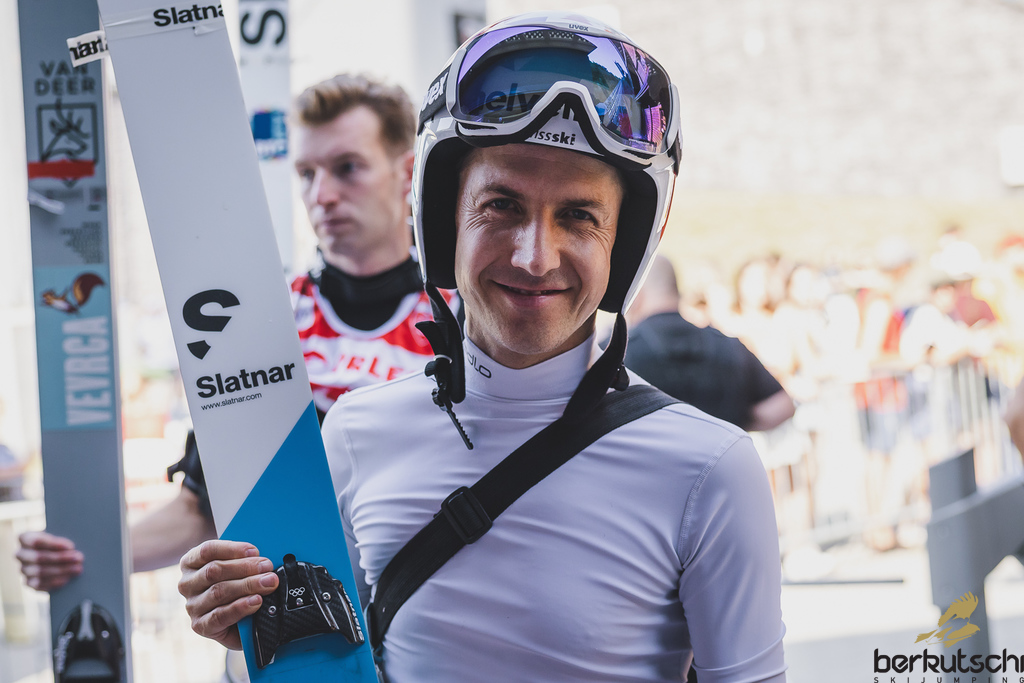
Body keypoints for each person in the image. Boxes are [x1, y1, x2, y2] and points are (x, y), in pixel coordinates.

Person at [179, 13, 787, 682]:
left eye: (578, 216)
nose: (534, 257)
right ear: (445, 222)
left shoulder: (709, 470)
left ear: (624, 242)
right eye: (502, 205)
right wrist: (250, 644)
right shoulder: (356, 432)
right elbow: (319, 674)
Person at [17, 74, 456, 590]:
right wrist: (82, 556)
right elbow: (200, 510)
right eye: (306, 173)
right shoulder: (263, 319)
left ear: (407, 172)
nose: (322, 195)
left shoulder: (461, 311)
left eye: (348, 168)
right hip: (305, 623)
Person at [625, 254, 795, 431]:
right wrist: (729, 426)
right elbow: (781, 406)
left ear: (636, 294)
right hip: (723, 445)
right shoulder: (728, 346)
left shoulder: (620, 354)